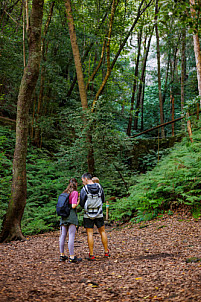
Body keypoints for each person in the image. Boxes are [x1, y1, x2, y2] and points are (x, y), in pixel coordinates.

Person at [80, 173, 110, 260]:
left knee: (90, 233)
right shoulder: (99, 187)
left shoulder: (84, 189)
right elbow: (103, 199)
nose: (83, 182)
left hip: (88, 213)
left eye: (83, 180)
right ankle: (106, 252)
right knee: (102, 231)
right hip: (99, 212)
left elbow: (82, 202)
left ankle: (92, 254)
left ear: (86, 179)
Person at [59, 178, 82, 263]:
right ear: (76, 184)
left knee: (63, 235)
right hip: (71, 215)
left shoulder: (64, 192)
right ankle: (72, 257)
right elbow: (73, 206)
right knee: (71, 235)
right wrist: (78, 200)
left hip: (63, 215)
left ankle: (62, 255)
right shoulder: (75, 193)